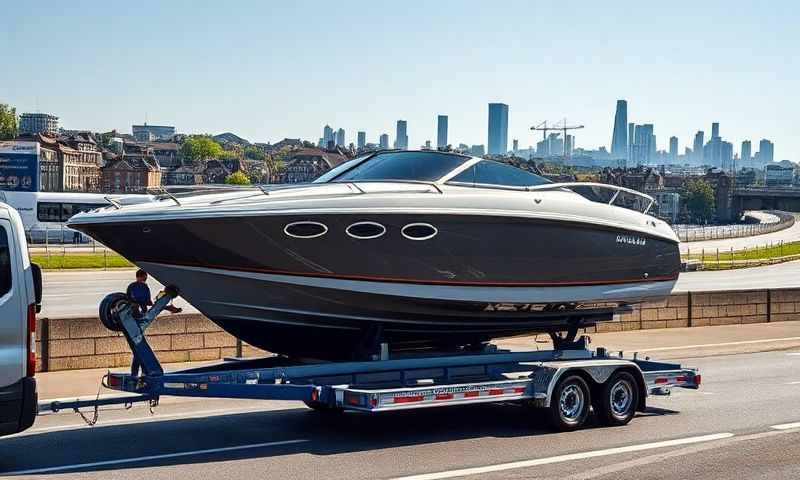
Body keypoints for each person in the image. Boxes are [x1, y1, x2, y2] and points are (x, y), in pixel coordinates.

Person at [126, 269, 182, 376]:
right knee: (138, 349)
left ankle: (137, 373)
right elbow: (147, 303)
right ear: (141, 276)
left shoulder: (130, 286)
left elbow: (135, 301)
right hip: (138, 317)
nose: (146, 279)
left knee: (137, 349)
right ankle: (141, 373)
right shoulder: (143, 287)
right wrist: (166, 307)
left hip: (131, 318)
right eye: (145, 277)